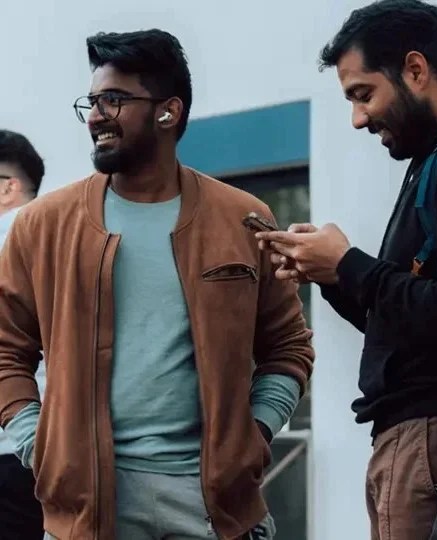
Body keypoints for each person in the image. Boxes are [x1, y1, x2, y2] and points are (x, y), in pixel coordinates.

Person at [0, 30, 314, 540]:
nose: (96, 115)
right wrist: (38, 443)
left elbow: (288, 346)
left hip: (214, 502)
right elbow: (6, 349)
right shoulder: (42, 226)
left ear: (168, 112)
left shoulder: (242, 218)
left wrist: (254, 435)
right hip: (90, 507)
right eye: (93, 101)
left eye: (115, 100)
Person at [256, 1, 437, 538]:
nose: (358, 119)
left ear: (415, 69)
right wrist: (333, 274)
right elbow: (418, 324)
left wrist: (349, 263)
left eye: (364, 95)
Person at [0, 129, 44, 540]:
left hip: (12, 445)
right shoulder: (61, 238)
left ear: (7, 187)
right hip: (47, 440)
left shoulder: (10, 237)